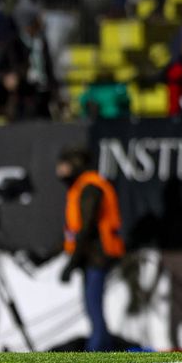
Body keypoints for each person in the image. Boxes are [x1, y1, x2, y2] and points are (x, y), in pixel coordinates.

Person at [57, 147, 125, 352]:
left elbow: (85, 229)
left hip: (98, 256)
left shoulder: (90, 188)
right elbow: (73, 231)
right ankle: (102, 354)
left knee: (94, 310)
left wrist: (72, 263)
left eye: (64, 165)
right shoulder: (80, 188)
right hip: (89, 257)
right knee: (92, 309)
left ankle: (94, 355)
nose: (60, 170)